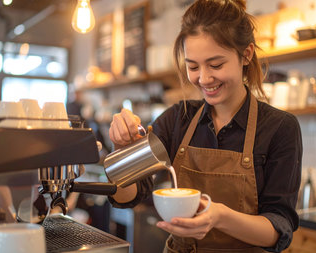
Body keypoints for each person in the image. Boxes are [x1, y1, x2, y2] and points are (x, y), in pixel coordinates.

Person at [108, 0, 303, 252]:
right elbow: (128, 196)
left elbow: (278, 229)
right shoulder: (178, 118)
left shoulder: (280, 128)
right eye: (193, 66)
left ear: (246, 54)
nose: (204, 78)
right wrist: (121, 149)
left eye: (216, 65)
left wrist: (219, 217)